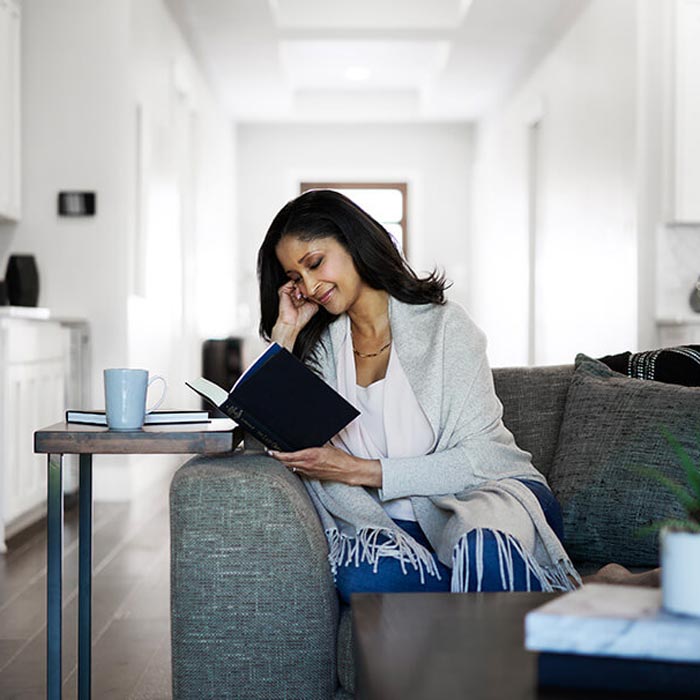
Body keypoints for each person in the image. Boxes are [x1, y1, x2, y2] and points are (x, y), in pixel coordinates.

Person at [257, 189, 655, 602]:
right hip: (393, 522)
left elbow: (481, 461)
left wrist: (359, 470)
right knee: (368, 578)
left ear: (352, 241)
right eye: (295, 278)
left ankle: (502, 601)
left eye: (315, 263)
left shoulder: (445, 327)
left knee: (483, 551)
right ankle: (570, 590)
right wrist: (286, 331)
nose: (310, 285)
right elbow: (267, 425)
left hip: (488, 499)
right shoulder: (321, 348)